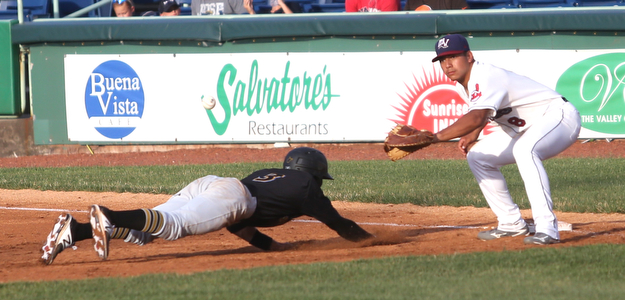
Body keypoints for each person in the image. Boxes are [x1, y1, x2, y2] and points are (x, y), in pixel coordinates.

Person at [41, 147, 374, 264]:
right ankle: (107, 214)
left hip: (215, 184)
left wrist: (273, 246)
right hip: (231, 195)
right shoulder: (306, 189)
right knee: (172, 226)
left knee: (147, 231)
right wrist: (373, 242)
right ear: (313, 174)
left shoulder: (270, 177)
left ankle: (75, 229)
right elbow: (340, 224)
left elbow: (235, 220)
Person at [427, 34, 581, 245]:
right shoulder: (463, 86)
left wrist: (435, 137)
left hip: (559, 117)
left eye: (453, 56)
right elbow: (486, 114)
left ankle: (547, 228)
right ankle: (511, 223)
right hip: (525, 129)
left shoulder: (485, 75)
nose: (447, 64)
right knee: (478, 156)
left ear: (469, 56)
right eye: (442, 59)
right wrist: (474, 133)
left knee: (525, 150)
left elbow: (477, 116)